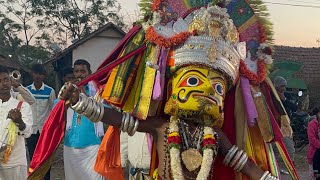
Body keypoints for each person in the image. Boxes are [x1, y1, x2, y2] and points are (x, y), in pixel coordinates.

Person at [58, 5, 280, 180]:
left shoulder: (215, 137)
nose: (207, 91)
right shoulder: (162, 127)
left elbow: (245, 165)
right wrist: (81, 103)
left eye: (218, 88)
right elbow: (120, 120)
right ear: (175, 89)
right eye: (193, 81)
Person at [62, 59, 104, 180]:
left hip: (92, 144)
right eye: (76, 71)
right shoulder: (66, 91)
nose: (79, 74)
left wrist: (85, 97)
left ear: (89, 73)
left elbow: (104, 111)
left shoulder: (98, 92)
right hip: (71, 145)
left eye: (82, 71)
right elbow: (57, 113)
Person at [0, 65, 33, 180]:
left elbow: (28, 132)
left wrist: (19, 122)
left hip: (15, 163)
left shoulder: (22, 106)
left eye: (5, 80)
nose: (4, 84)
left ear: (10, 81)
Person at [26, 63, 55, 180]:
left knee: (45, 158)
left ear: (44, 76)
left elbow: (53, 110)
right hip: (31, 130)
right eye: (36, 73)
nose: (38, 76)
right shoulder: (26, 91)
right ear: (32, 74)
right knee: (33, 158)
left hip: (45, 131)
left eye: (40, 74)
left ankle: (46, 178)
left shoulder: (50, 91)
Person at [273, 76, 296, 173]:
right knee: (275, 149)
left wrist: (284, 99)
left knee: (290, 147)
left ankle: (291, 167)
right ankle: (276, 167)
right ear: (276, 86)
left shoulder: (287, 95)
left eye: (284, 86)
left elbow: (294, 107)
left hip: (285, 127)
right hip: (275, 125)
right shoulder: (272, 95)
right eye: (282, 86)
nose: (284, 88)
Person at [307, 107, 320, 180]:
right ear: (317, 114)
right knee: (316, 174)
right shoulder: (312, 124)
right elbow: (312, 139)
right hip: (315, 152)